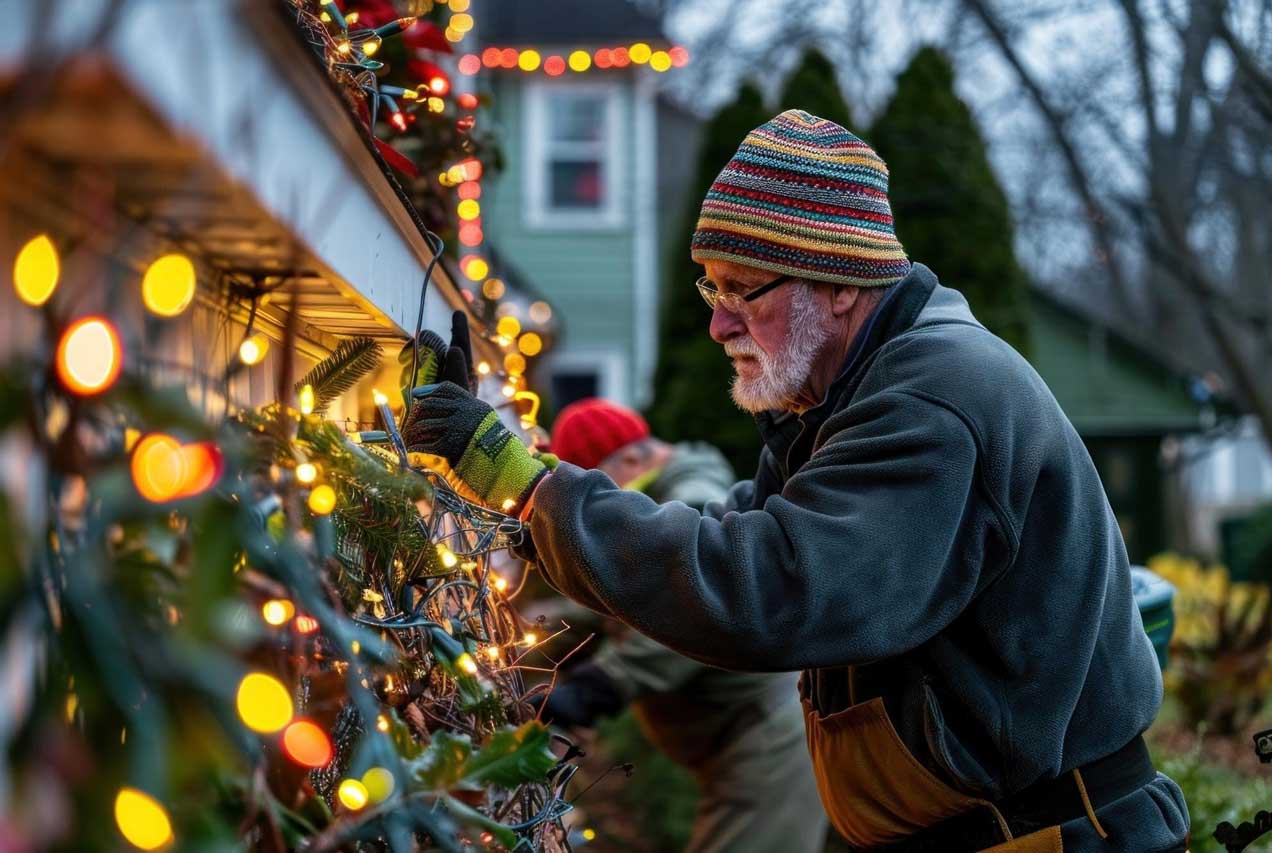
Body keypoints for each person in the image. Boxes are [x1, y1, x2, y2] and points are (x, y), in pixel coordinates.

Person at [403, 110, 1190, 852]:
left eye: (743, 288)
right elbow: (730, 529)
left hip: (1049, 836)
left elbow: (771, 586)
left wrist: (530, 488)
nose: (718, 322)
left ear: (839, 282)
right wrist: (518, 491)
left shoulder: (929, 401)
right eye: (712, 287)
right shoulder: (852, 395)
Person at [542, 398, 826, 853]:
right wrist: (548, 628)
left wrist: (601, 684)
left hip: (765, 743)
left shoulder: (688, 502)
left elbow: (692, 608)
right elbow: (627, 596)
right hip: (735, 744)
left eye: (596, 491)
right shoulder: (655, 507)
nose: (595, 517)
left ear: (632, 460)